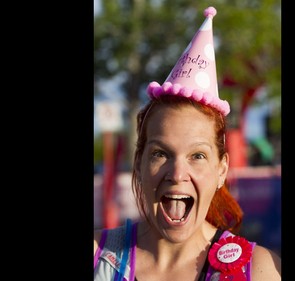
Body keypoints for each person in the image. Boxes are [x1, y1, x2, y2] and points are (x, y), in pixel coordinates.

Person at [94, 6, 281, 281]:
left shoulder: (260, 270)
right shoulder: (98, 256)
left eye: (197, 156)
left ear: (222, 170)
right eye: (160, 153)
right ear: (139, 162)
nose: (177, 174)